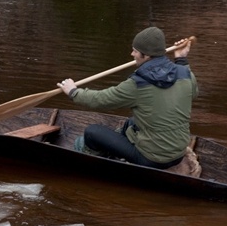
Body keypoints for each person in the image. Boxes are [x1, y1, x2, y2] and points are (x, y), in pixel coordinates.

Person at [57, 27, 198, 169]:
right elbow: (193, 92)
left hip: (151, 159)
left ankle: (94, 159)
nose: (132, 54)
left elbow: (100, 100)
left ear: (147, 56)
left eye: (135, 51)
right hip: (178, 154)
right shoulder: (185, 73)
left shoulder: (138, 83)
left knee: (92, 132)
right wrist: (181, 58)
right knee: (131, 122)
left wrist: (73, 92)